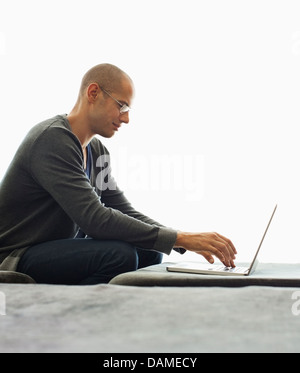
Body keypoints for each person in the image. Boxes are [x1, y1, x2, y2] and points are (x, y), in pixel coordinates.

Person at [0, 63, 237, 285]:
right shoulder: (52, 139)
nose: (126, 118)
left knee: (151, 250)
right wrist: (180, 238)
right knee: (119, 255)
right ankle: (75, 316)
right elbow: (94, 219)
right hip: (16, 256)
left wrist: (177, 238)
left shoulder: (96, 150)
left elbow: (123, 209)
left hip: (56, 249)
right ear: (93, 93)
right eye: (121, 106)